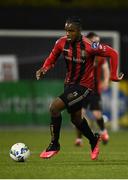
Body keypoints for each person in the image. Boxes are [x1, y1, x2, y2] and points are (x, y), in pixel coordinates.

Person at [36, 17, 123, 160]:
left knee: (54, 108)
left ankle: (54, 144)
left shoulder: (90, 46)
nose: (68, 33)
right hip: (69, 85)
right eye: (66, 30)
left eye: (71, 30)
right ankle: (94, 140)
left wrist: (113, 75)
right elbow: (52, 57)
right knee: (76, 119)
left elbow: (113, 53)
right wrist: (44, 68)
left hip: (85, 87)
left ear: (79, 31)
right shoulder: (61, 43)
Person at [75, 32, 110, 147]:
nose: (97, 43)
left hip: (94, 89)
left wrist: (105, 81)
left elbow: (105, 69)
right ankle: (79, 139)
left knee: (97, 114)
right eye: (95, 41)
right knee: (79, 114)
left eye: (98, 41)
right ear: (88, 41)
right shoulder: (81, 54)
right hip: (81, 88)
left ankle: (103, 132)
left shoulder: (100, 55)